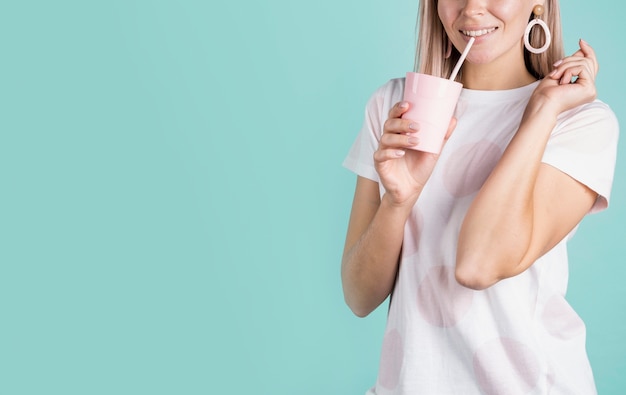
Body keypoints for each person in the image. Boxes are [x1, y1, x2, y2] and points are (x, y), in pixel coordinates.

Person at [341, 0, 619, 394]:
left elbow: (477, 265)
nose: (472, 8)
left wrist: (541, 109)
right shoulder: (393, 108)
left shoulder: (579, 121)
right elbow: (358, 296)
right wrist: (398, 201)